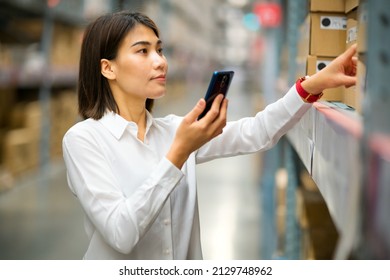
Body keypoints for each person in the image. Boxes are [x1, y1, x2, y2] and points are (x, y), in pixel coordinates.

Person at [62, 10, 357, 260]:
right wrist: (178, 154)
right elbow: (120, 232)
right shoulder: (83, 141)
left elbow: (257, 132)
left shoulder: (174, 130)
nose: (160, 61)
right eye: (143, 51)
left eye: (160, 50)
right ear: (108, 68)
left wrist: (312, 85)